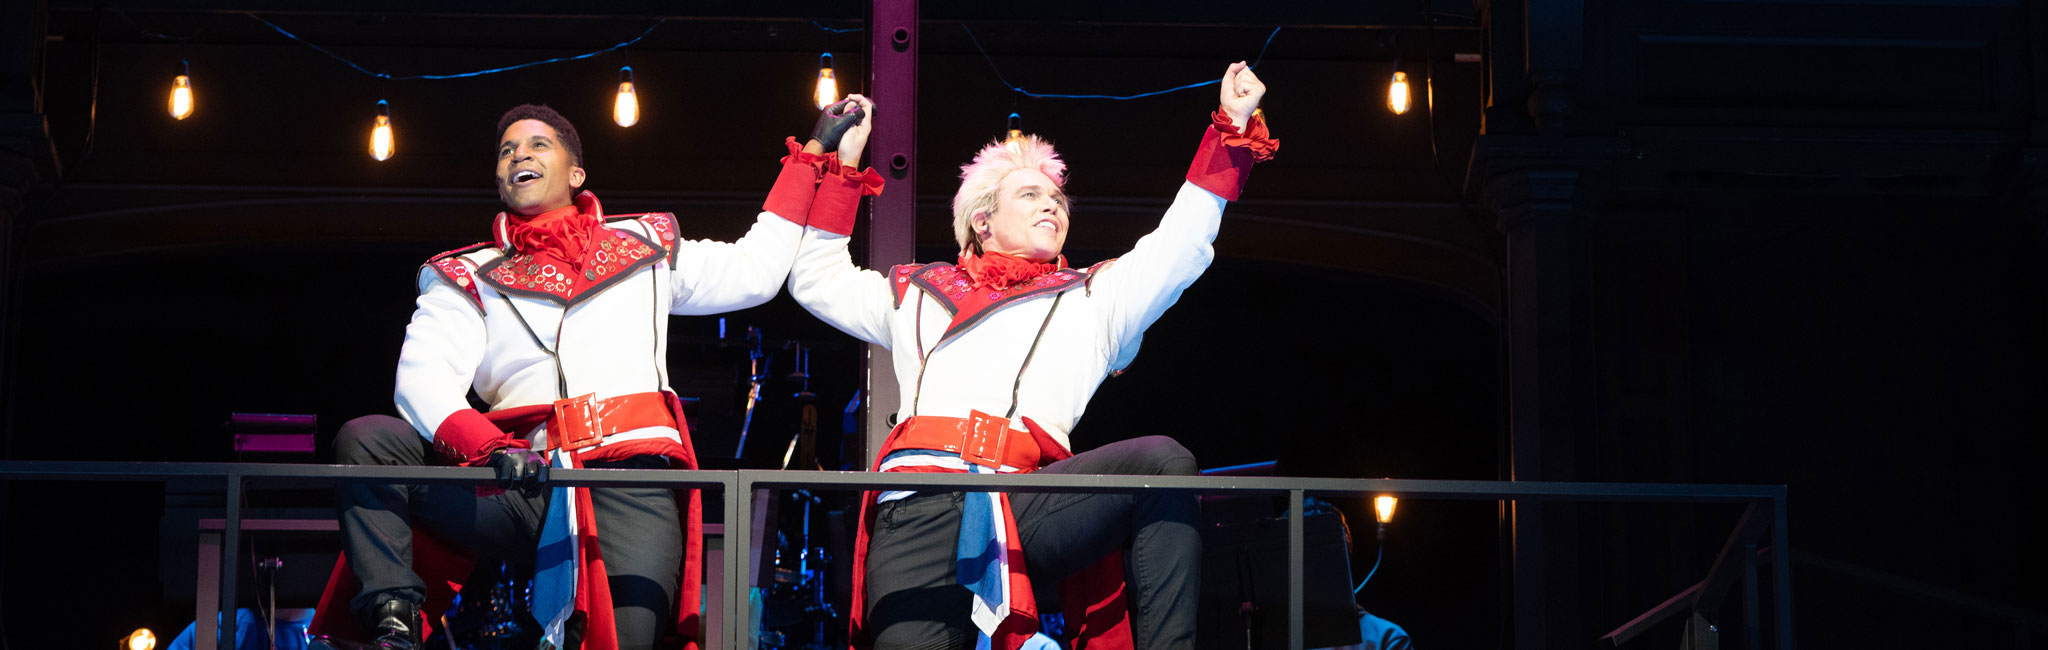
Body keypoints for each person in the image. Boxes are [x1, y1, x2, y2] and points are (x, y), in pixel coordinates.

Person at [309, 99, 879, 650]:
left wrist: (814, 154)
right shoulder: (467, 275)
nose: (518, 154)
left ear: (576, 173)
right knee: (370, 439)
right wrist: (489, 448)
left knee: (625, 638)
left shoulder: (646, 244)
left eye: (537, 144)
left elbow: (758, 271)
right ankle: (394, 623)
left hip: (630, 481)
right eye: (506, 150)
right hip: (522, 481)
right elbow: (422, 379)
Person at [786, 62, 1276, 650]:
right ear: (982, 220)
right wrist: (841, 167)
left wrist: (1231, 128)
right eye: (1031, 194)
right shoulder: (916, 289)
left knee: (1164, 461)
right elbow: (814, 280)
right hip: (914, 505)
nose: (1053, 206)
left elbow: (1180, 247)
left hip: (1023, 503)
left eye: (1058, 199)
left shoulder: (1094, 296)